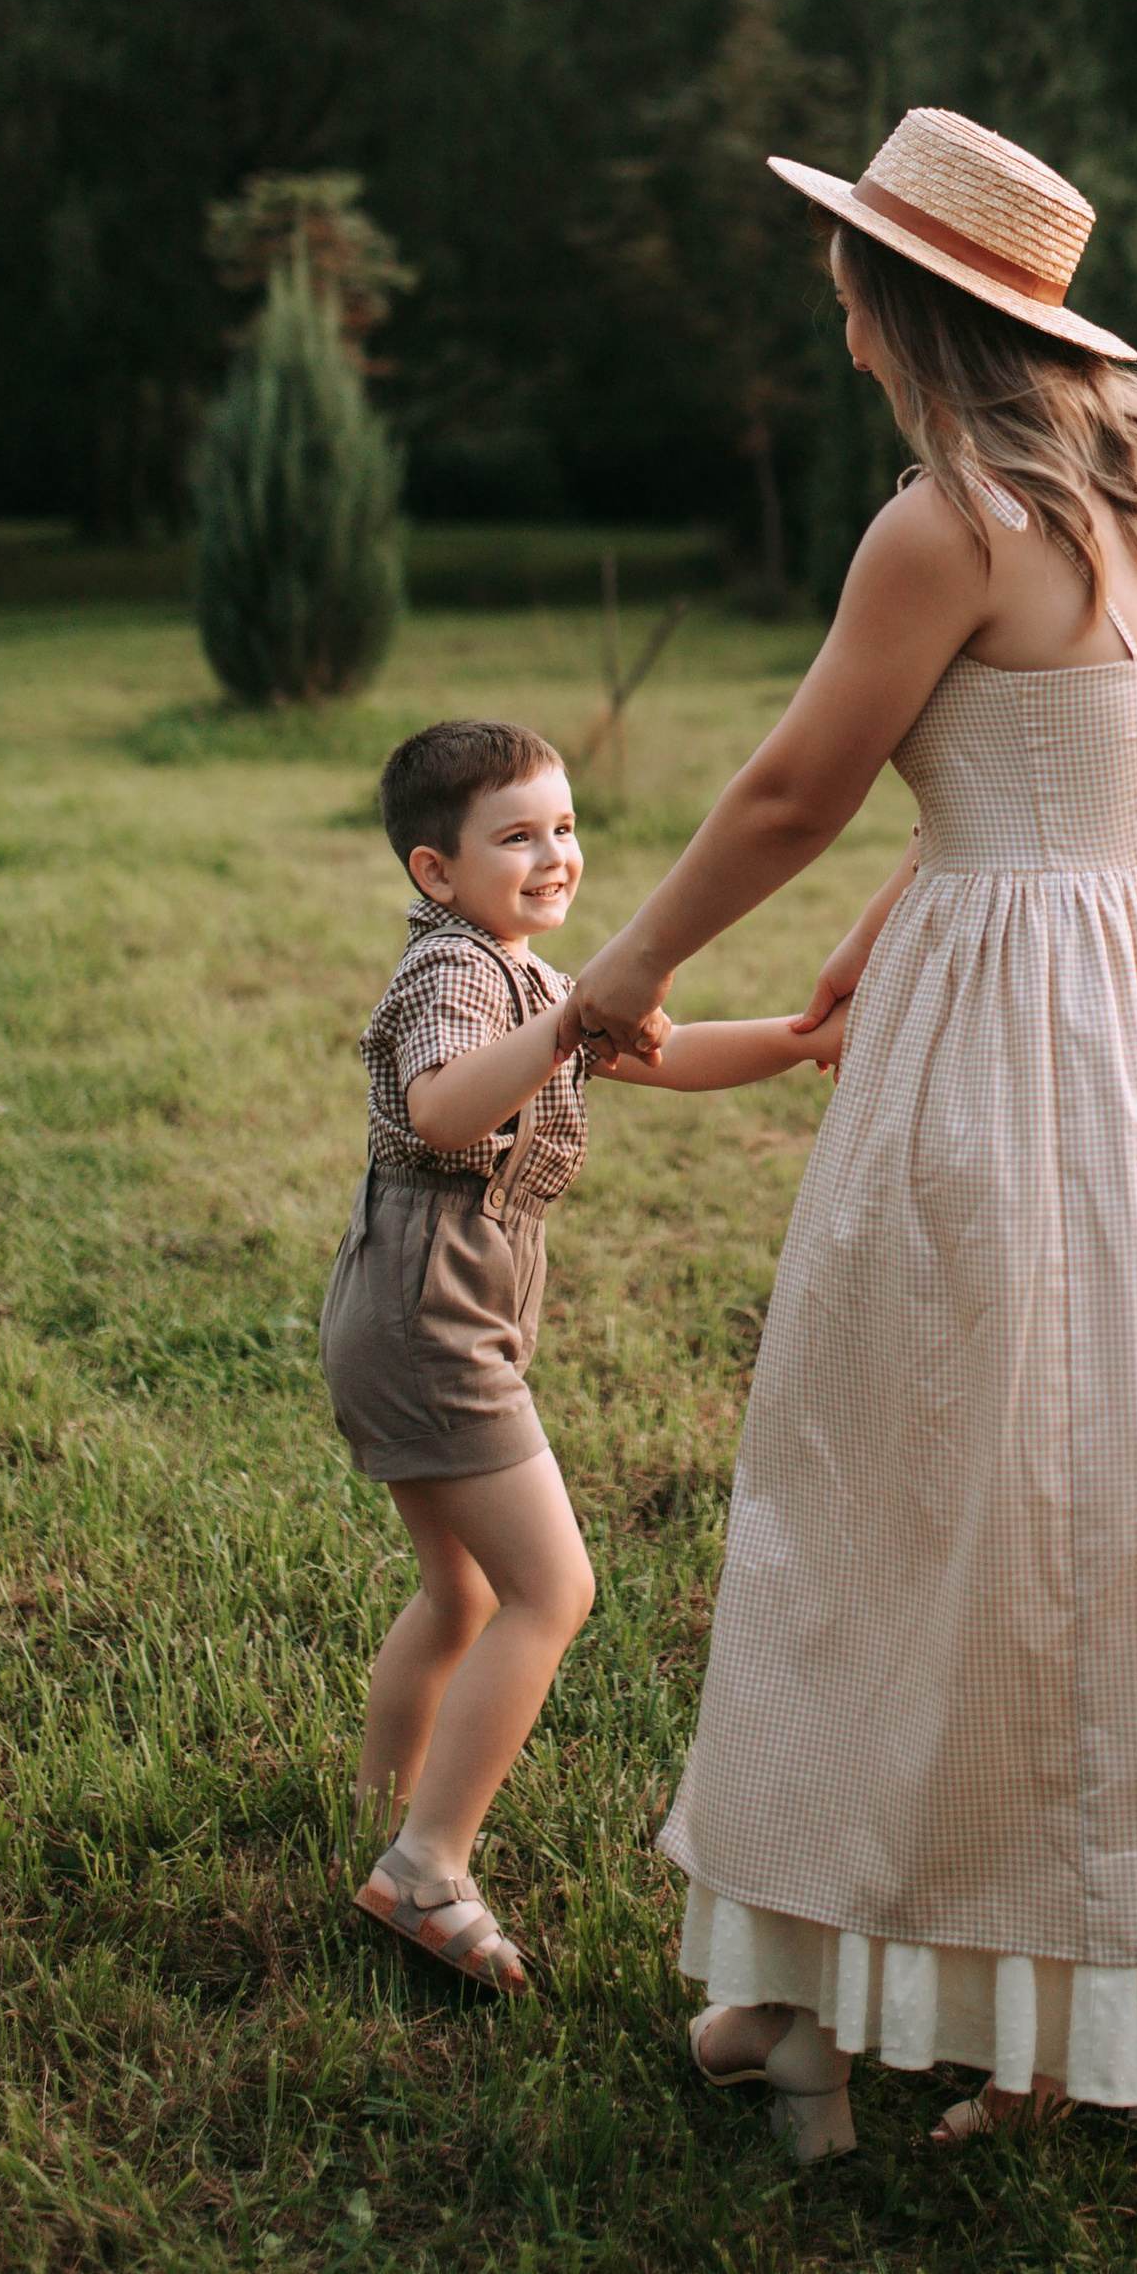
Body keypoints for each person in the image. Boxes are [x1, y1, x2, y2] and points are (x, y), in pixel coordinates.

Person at [557, 109, 1137, 2156]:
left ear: (898, 296)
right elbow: (1052, 774)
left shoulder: (943, 518)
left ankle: (822, 2019)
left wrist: (621, 976)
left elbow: (792, 784)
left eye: (843, 266)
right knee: (1118, 1483)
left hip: (1011, 1052)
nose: (829, 299)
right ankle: (1027, 2019)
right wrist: (889, 911)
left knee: (903, 1481)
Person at [321, 715, 839, 1996]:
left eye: (563, 827)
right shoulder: (456, 974)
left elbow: (674, 1052)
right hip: (430, 1314)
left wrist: (802, 1037)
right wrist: (564, 1029)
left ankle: (385, 1820)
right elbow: (444, 1106)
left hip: (414, 1304)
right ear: (435, 872)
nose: (555, 856)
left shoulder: (521, 970)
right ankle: (427, 1867)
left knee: (463, 1596)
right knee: (553, 1592)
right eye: (516, 837)